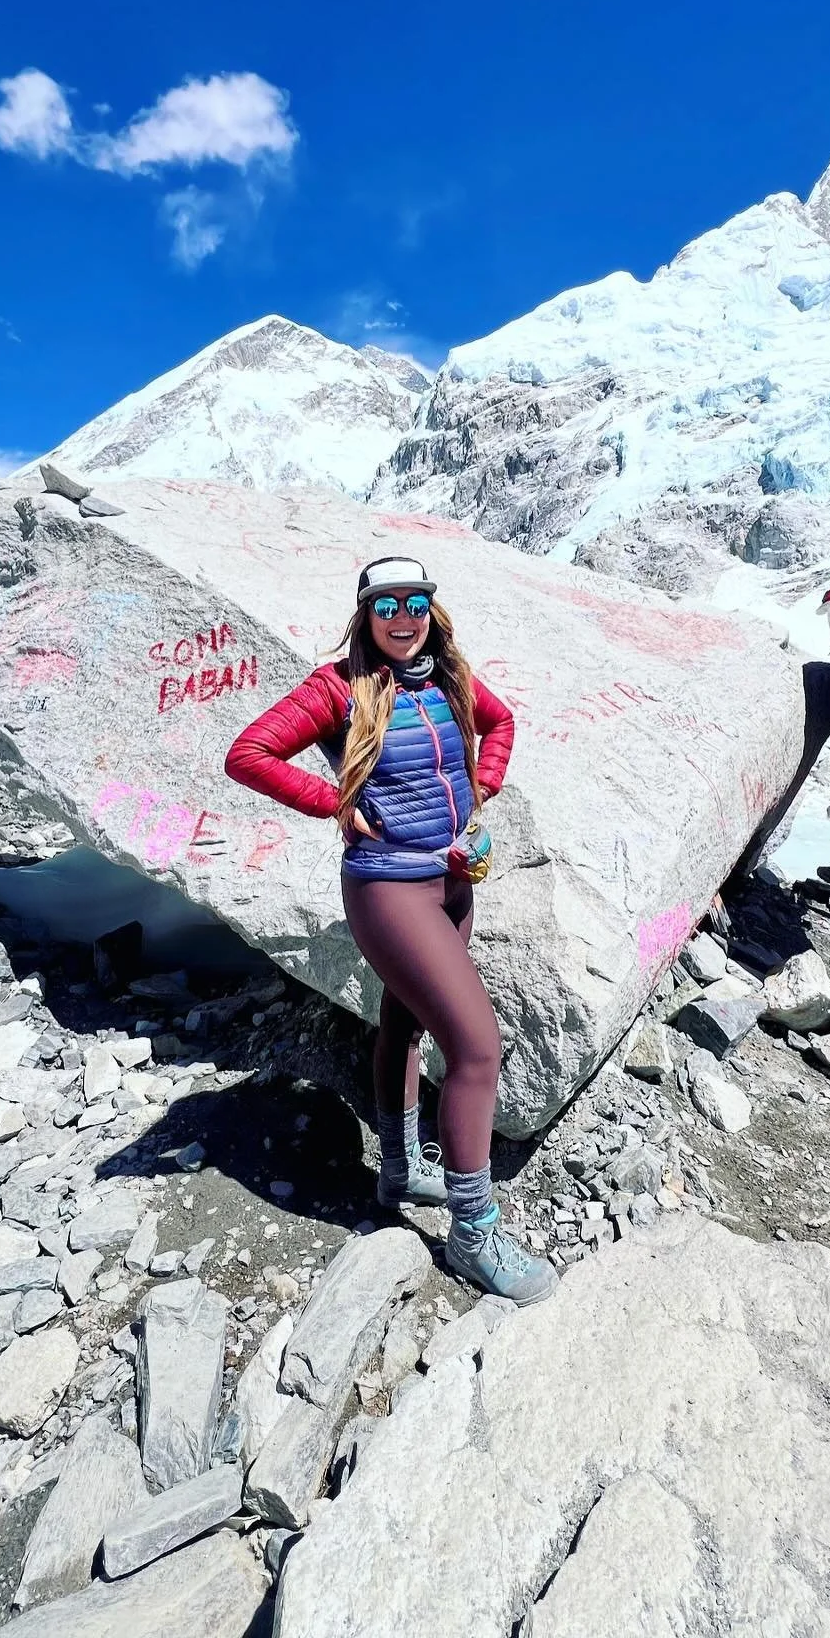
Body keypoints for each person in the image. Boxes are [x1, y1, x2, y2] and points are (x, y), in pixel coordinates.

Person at [225, 556, 557, 1305]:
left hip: (452, 881)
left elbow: (499, 724)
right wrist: (332, 798)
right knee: (477, 1047)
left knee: (404, 1024)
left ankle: (403, 1168)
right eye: (387, 605)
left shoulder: (448, 676)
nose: (402, 618)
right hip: (388, 887)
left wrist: (483, 791)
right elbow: (248, 753)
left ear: (430, 610)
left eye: (416, 603)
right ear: (366, 613)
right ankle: (474, 1236)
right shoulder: (338, 686)